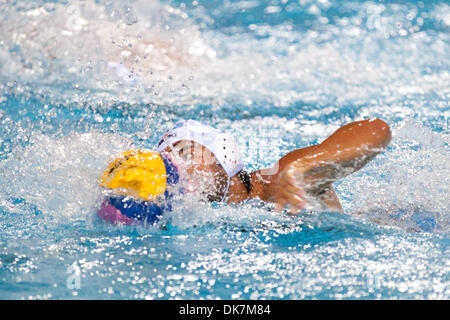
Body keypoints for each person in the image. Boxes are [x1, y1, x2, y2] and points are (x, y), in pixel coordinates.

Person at [155, 118, 392, 215]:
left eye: (185, 153)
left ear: (223, 153)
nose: (178, 167)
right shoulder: (184, 215)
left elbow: (376, 130)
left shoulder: (278, 180)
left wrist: (306, 167)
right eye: (168, 164)